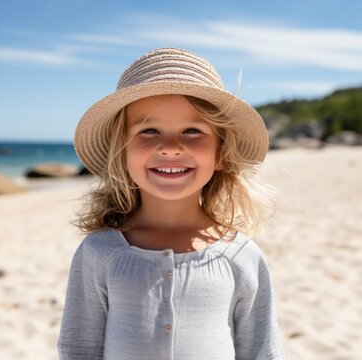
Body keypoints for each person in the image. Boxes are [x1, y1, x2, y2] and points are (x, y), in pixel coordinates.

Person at [57, 47, 285, 359]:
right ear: (122, 154)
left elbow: (263, 350)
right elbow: (79, 348)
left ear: (221, 153)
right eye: (148, 130)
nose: (171, 147)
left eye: (193, 131)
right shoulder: (100, 252)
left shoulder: (240, 255)